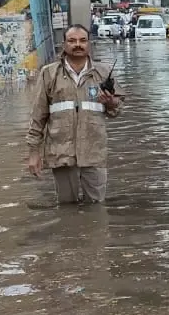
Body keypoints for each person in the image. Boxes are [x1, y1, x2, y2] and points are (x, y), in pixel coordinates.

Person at [25, 24, 124, 204]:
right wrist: (34, 152)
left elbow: (116, 110)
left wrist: (110, 102)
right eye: (72, 41)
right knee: (66, 208)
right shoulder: (49, 74)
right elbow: (38, 116)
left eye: (82, 40)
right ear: (64, 45)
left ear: (89, 44)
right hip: (61, 153)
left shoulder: (103, 73)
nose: (77, 45)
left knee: (96, 209)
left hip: (94, 153)